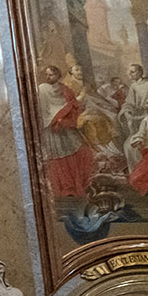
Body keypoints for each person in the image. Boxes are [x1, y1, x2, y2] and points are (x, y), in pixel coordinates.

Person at [35, 65, 93, 198]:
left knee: (80, 151)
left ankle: (78, 184)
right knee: (57, 158)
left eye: (51, 75)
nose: (48, 77)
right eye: (47, 75)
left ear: (58, 75)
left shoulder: (65, 89)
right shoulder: (42, 89)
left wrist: (65, 117)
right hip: (50, 127)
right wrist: (55, 118)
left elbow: (73, 105)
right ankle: (66, 187)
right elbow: (43, 110)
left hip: (64, 126)